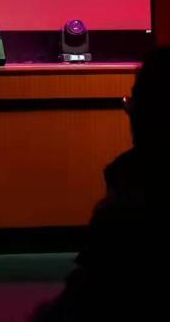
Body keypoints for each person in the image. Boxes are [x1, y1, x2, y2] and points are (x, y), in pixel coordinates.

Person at [31, 46, 170, 321]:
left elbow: (87, 299)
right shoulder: (124, 184)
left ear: (145, 115)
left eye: (132, 104)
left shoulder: (124, 207)